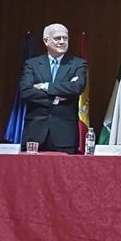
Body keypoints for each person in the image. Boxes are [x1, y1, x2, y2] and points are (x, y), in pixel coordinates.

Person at [19, 23, 87, 154]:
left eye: (65, 38)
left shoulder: (78, 64)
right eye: (57, 38)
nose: (62, 42)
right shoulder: (32, 64)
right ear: (46, 40)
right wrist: (57, 97)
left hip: (65, 135)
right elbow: (26, 92)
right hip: (34, 134)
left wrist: (45, 86)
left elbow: (76, 88)